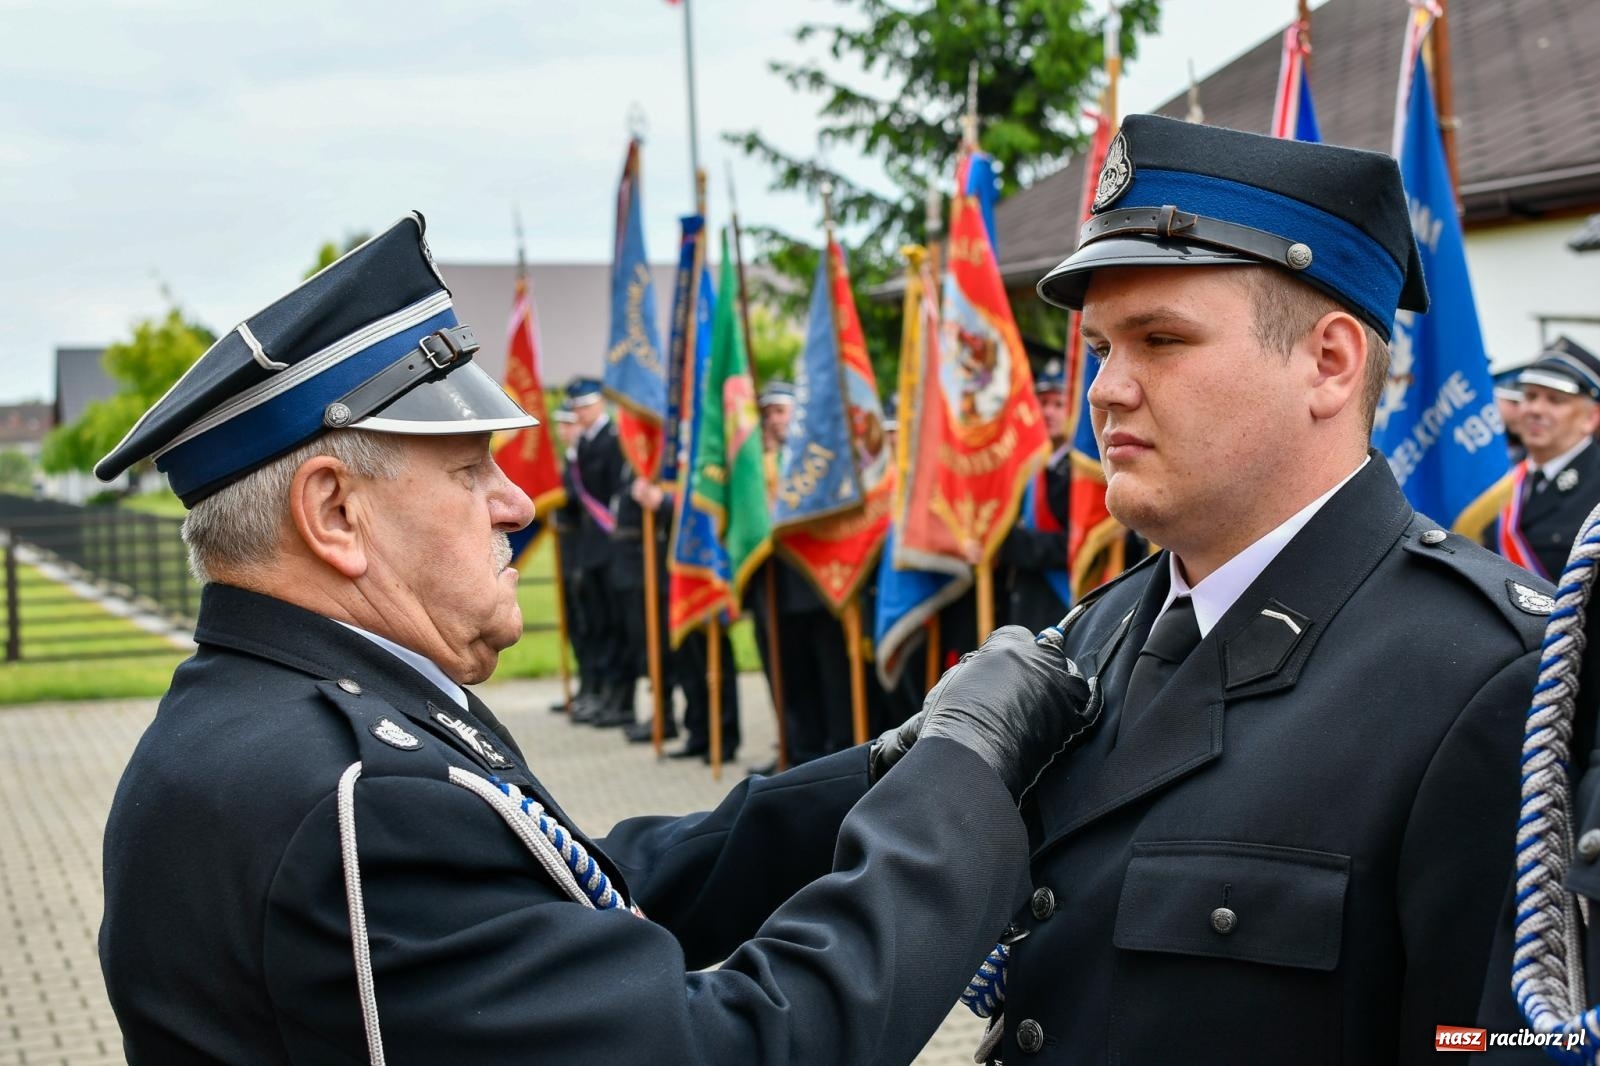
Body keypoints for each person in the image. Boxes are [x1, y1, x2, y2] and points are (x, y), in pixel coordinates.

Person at [93, 213, 1095, 1065]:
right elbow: (733, 1045)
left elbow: (576, 895)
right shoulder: (357, 794)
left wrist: (881, 773)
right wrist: (960, 778)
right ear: (334, 513)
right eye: (468, 469)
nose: (517, 502)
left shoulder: (258, 715)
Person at [941, 115, 1548, 1063]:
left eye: (1160, 339)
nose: (1105, 389)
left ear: (1329, 363)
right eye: (1100, 347)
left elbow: (1486, 1041)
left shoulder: (1489, 676)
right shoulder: (1100, 630)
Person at [1490, 337, 1600, 582]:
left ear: (1591, 418)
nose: (1535, 410)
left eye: (1555, 400)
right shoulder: (1499, 476)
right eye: (1530, 396)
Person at [564, 376, 628, 724]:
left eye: (586, 406)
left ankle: (621, 700)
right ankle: (604, 694)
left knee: (617, 627)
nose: (581, 413)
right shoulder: (584, 444)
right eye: (578, 408)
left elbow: (614, 494)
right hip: (591, 547)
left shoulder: (613, 440)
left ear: (601, 404)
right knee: (598, 624)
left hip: (611, 545)